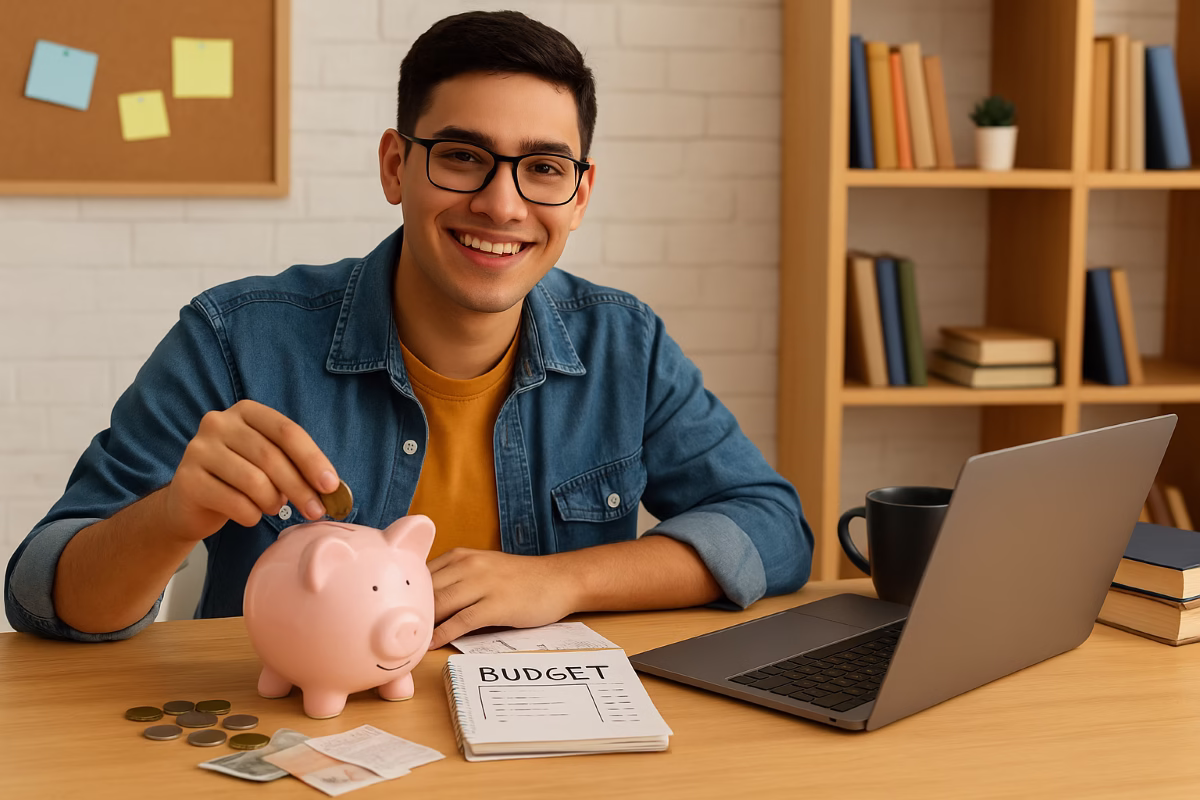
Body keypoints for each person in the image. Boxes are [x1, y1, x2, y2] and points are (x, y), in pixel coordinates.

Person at [4, 10, 812, 648]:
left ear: (580, 193)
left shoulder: (624, 346)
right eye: (463, 156)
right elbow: (47, 591)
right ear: (397, 165)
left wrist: (563, 581)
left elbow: (774, 528)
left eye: (544, 168)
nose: (502, 204)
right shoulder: (235, 339)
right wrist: (174, 514)